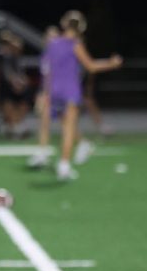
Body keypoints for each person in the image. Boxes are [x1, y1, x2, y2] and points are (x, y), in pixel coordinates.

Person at [28, 11, 123, 180]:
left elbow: (48, 72)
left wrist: (45, 93)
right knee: (68, 129)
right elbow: (91, 66)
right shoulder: (75, 44)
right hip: (70, 90)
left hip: (54, 91)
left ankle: (66, 152)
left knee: (55, 124)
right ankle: (64, 165)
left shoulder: (53, 43)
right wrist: (111, 63)